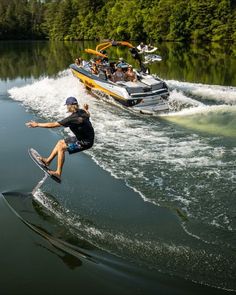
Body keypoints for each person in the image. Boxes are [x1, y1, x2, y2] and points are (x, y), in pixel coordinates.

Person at [26, 97, 94, 181]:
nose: (66, 107)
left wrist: (37, 124)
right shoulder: (82, 112)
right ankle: (48, 161)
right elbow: (88, 113)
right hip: (83, 137)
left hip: (85, 142)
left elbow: (53, 124)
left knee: (61, 148)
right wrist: (86, 108)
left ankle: (58, 173)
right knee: (60, 143)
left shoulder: (72, 118)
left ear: (69, 106)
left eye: (67, 106)